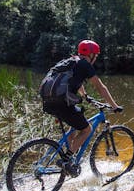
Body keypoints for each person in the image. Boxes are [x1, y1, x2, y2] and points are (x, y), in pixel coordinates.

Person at [41, 40, 122, 175]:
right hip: (62, 103)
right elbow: (101, 87)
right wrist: (114, 106)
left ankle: (67, 159)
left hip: (48, 101)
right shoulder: (85, 65)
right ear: (91, 55)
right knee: (86, 129)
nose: (95, 58)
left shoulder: (71, 61)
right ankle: (66, 160)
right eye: (95, 55)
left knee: (73, 126)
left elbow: (74, 81)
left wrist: (85, 95)